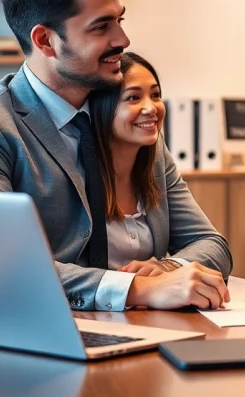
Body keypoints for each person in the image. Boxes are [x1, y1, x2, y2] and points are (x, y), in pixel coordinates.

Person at [0, 0, 231, 311]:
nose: (123, 39)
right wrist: (136, 289)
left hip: (129, 333)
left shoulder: (126, 120)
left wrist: (167, 270)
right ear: (45, 41)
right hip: (19, 335)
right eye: (102, 26)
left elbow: (209, 242)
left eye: (120, 20)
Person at [87, 51, 233, 309]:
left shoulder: (156, 161)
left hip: (150, 316)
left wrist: (167, 268)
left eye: (155, 95)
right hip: (90, 316)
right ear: (103, 108)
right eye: (133, 97)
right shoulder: (72, 169)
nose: (151, 108)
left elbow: (213, 245)